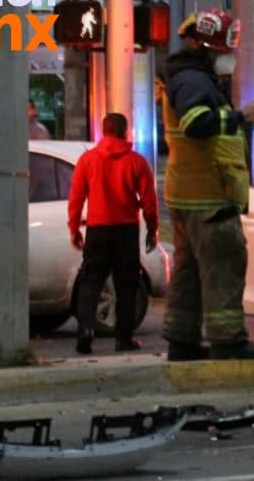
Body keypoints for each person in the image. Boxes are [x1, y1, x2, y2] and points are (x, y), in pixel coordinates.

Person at [162, 8, 254, 361]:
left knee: (189, 273)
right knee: (224, 265)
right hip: (208, 195)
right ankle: (228, 341)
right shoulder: (193, 80)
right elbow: (197, 123)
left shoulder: (186, 75)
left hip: (189, 192)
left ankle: (182, 341)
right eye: (224, 51)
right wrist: (241, 117)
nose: (228, 57)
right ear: (205, 46)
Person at [68, 113, 160, 354]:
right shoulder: (137, 163)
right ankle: (124, 338)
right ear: (125, 132)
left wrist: (74, 227)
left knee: (90, 281)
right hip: (126, 230)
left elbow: (76, 198)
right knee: (126, 285)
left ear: (104, 131)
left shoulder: (87, 160)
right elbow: (149, 202)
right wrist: (152, 229)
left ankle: (85, 331)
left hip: (97, 230)